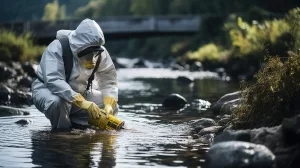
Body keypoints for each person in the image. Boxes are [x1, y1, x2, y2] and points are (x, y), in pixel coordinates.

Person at [31, 18, 118, 130]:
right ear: (77, 47)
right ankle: (63, 133)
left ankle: (84, 125)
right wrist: (80, 102)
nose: (92, 57)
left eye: (94, 53)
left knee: (113, 105)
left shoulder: (101, 52)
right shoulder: (57, 48)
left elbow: (109, 80)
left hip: (80, 95)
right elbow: (54, 80)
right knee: (57, 103)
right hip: (48, 91)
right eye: (87, 53)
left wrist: (109, 104)